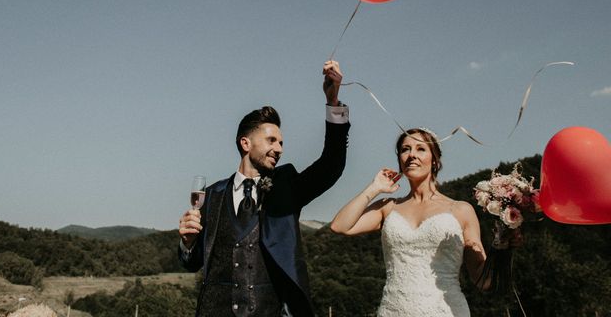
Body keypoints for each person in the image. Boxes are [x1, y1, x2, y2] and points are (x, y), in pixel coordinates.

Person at [178, 60, 350, 317]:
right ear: (245, 143)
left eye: (281, 142)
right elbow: (192, 263)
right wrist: (187, 243)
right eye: (271, 140)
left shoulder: (287, 187)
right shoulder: (211, 195)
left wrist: (333, 102)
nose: (279, 148)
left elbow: (331, 165)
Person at [330, 127, 515, 316]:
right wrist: (374, 188)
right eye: (405, 149)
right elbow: (340, 225)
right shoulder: (388, 207)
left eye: (420, 149)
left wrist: (502, 247)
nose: (411, 155)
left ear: (434, 159)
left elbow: (482, 279)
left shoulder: (460, 210)